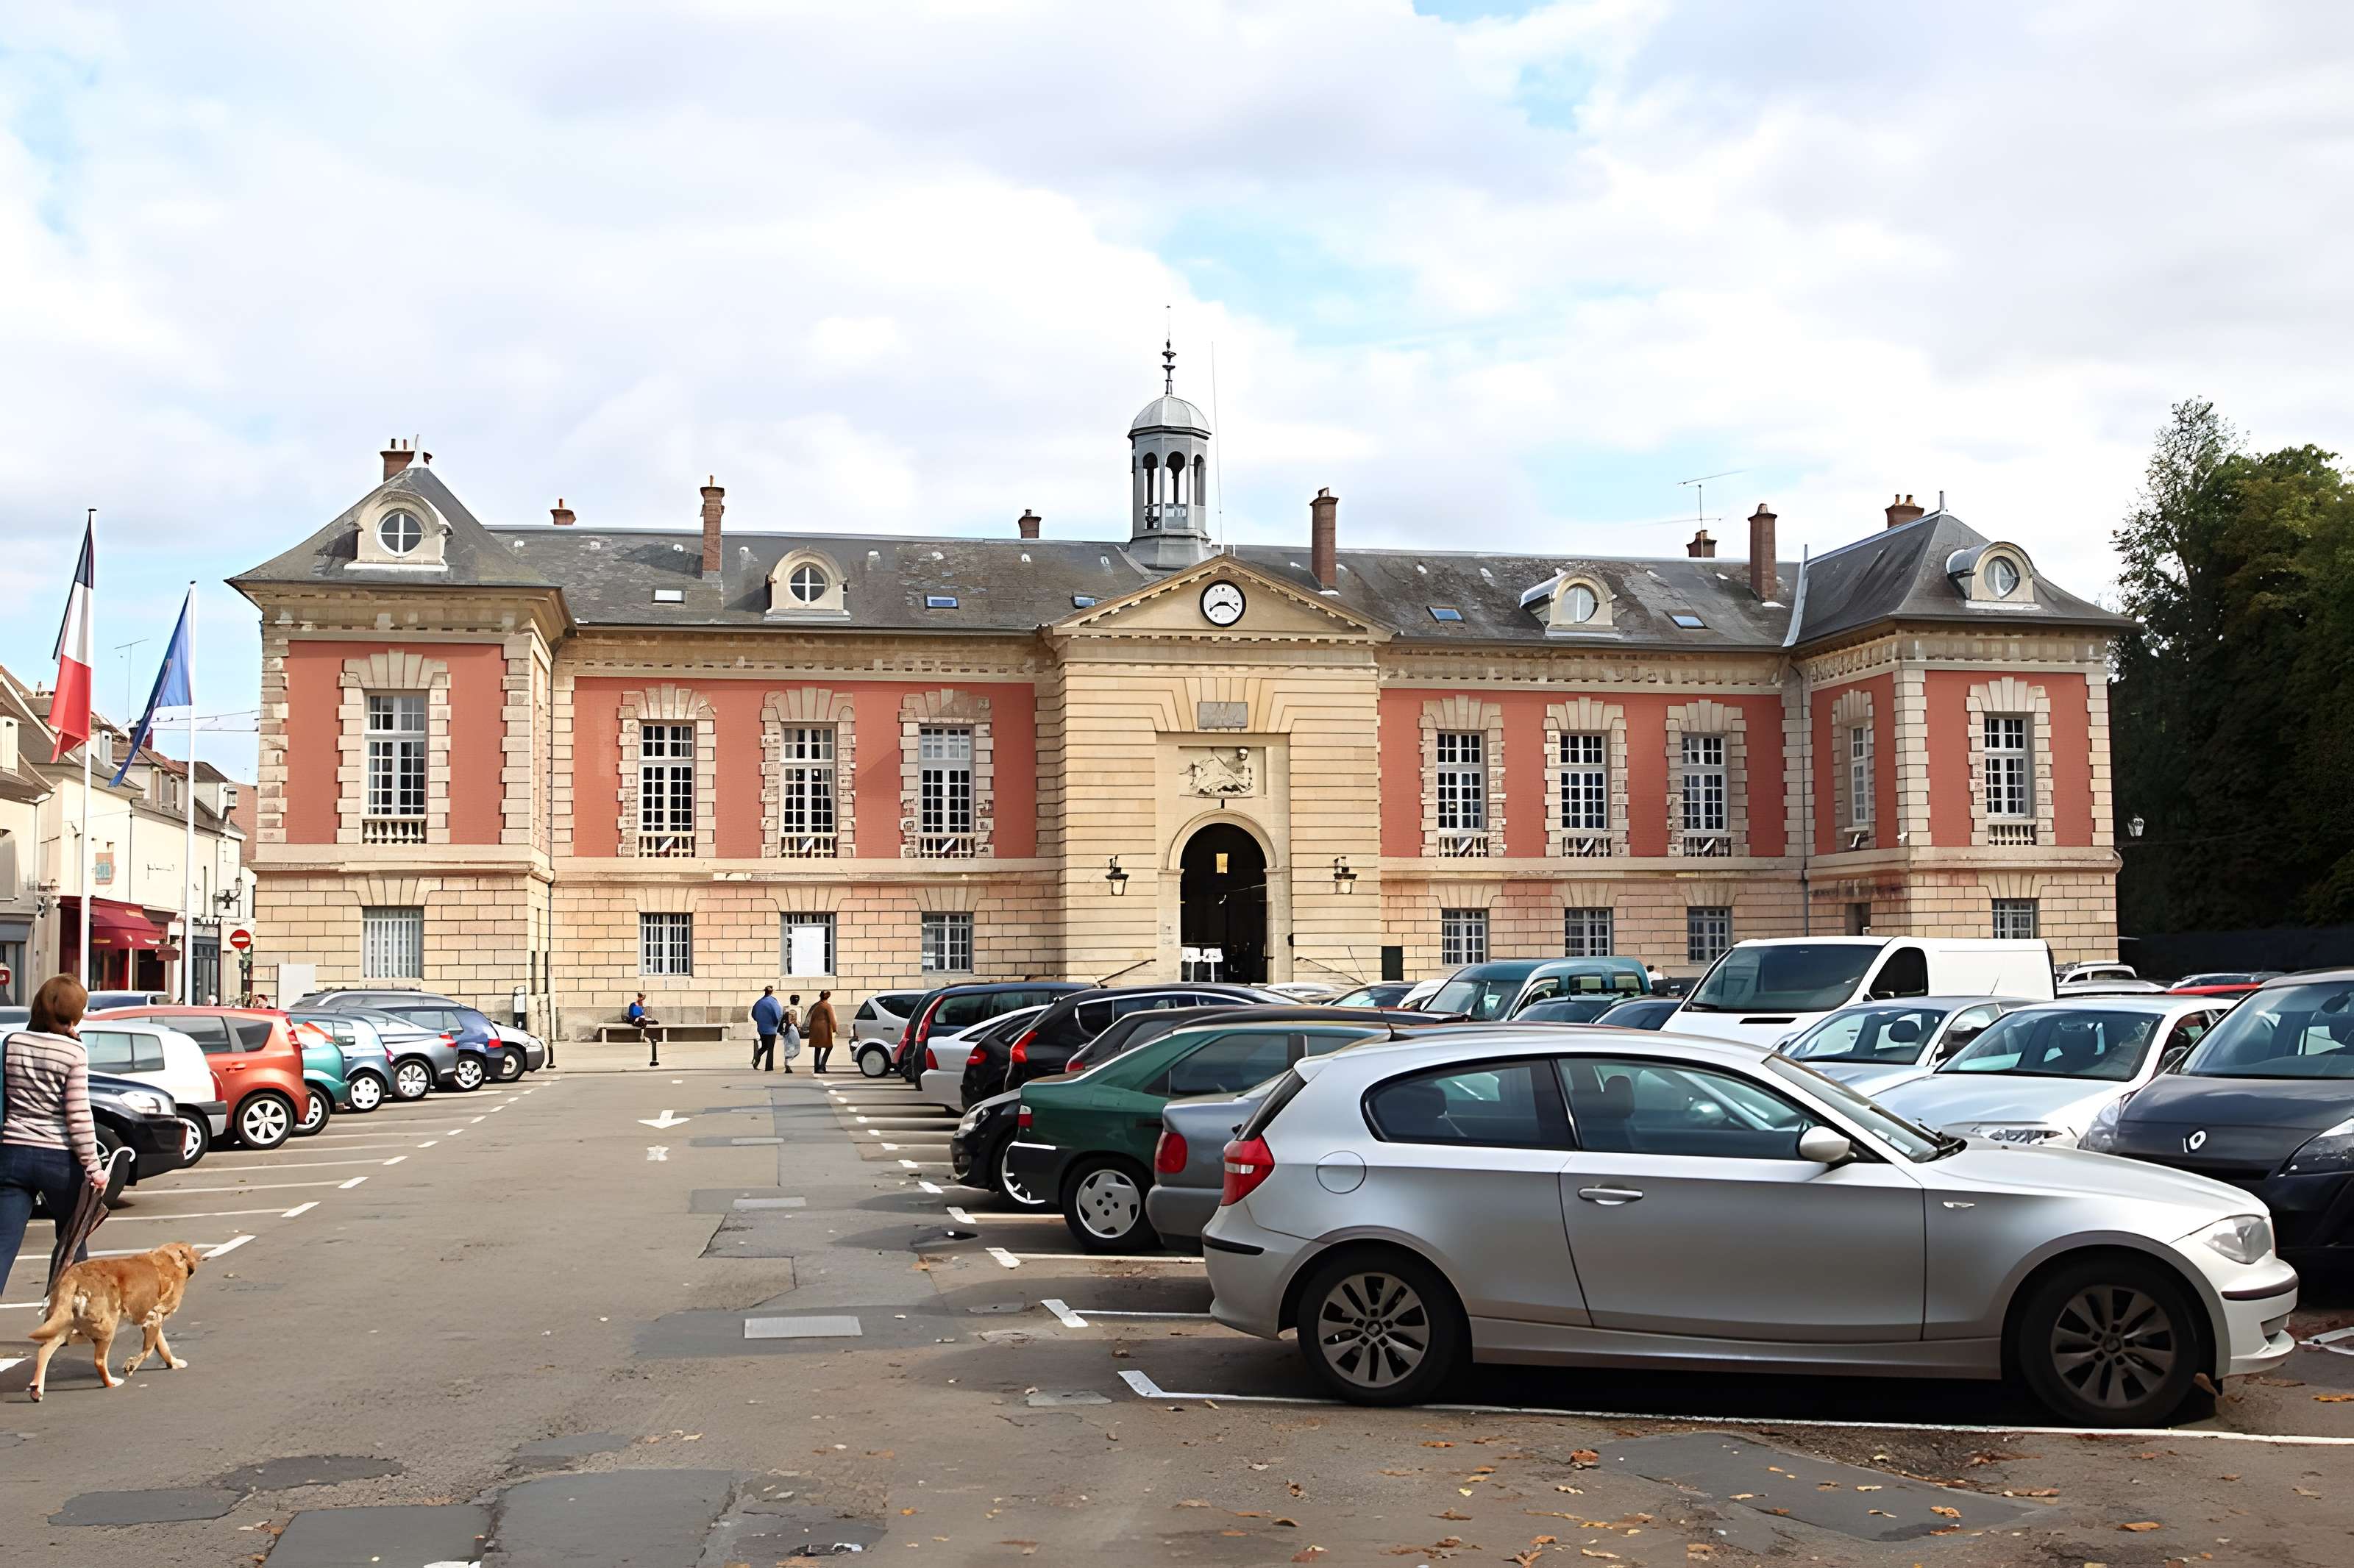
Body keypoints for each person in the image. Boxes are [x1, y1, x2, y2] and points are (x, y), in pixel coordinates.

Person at [1, 976, 110, 1299]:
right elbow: (77, 1115)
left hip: (12, 1154)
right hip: (58, 1159)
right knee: (72, 1239)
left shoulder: (12, 1043)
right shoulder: (73, 1052)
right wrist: (94, 1167)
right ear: (74, 1013)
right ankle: (63, 1315)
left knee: (3, 1242)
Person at [806, 989, 839, 1074]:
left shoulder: (816, 1006)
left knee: (818, 1048)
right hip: (824, 1029)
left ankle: (816, 1067)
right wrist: (835, 1029)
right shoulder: (828, 1006)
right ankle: (822, 1066)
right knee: (829, 1047)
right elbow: (832, 1019)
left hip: (815, 1029)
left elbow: (811, 1017)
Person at [750, 986, 783, 1072]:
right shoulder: (774, 1002)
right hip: (771, 1029)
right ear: (772, 992)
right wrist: (776, 1023)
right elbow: (778, 1014)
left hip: (761, 1028)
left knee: (765, 1046)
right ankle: (769, 1067)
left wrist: (760, 1021)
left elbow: (753, 1014)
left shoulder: (759, 1002)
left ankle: (757, 1057)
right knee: (770, 1048)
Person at [628, 992, 658, 1067]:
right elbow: (632, 1015)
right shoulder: (633, 1005)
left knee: (645, 1021)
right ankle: (643, 1037)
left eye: (642, 999)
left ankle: (642, 1036)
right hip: (634, 1020)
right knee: (643, 1021)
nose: (642, 1000)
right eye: (641, 998)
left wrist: (642, 1016)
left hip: (641, 1021)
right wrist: (638, 1017)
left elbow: (642, 1015)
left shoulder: (641, 1007)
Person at [778, 994, 803, 1073]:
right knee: (794, 1046)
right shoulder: (798, 1008)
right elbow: (798, 1022)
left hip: (788, 1029)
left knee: (789, 1046)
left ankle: (787, 1062)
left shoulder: (786, 1008)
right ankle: (787, 1063)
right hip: (793, 1029)